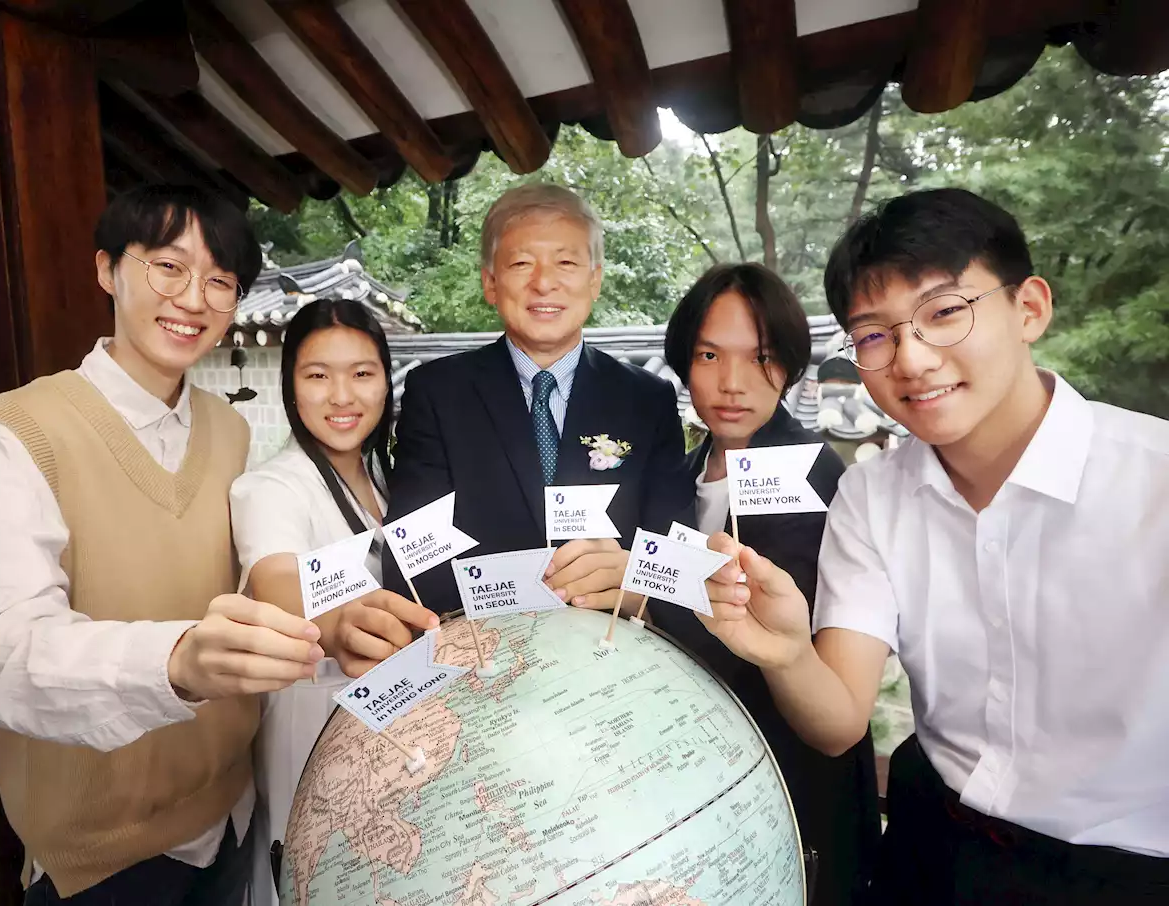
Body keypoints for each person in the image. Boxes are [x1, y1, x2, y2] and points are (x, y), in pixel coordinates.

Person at [699, 188, 1169, 904]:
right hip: (928, 843)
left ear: (1029, 309)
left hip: (1122, 867)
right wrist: (790, 651)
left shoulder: (1154, 481)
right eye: (874, 335)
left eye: (945, 312)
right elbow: (838, 723)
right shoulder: (872, 493)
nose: (911, 359)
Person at [0, 185, 324, 906]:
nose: (194, 298)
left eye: (221, 281)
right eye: (167, 266)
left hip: (232, 815)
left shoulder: (231, 430)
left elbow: (239, 581)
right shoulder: (20, 429)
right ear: (107, 269)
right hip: (103, 856)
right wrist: (176, 659)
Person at [654, 263, 879, 906]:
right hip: (704, 777)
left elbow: (769, 630)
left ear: (791, 365)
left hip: (796, 776)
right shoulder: (675, 472)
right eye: (707, 355)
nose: (732, 383)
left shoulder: (812, 470)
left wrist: (648, 592)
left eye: (762, 358)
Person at [384, 183, 688, 612]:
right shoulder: (438, 393)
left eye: (566, 262)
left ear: (595, 280)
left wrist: (636, 583)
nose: (544, 283)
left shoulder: (647, 399)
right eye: (522, 263)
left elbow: (676, 553)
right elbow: (415, 556)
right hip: (486, 656)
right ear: (491, 283)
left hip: (615, 654)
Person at [229, 299, 438, 905]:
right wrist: (343, 622)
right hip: (312, 733)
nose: (342, 395)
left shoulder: (391, 481)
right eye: (317, 375)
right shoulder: (270, 487)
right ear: (290, 385)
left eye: (362, 374)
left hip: (397, 732)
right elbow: (276, 579)